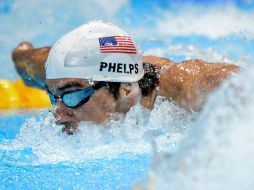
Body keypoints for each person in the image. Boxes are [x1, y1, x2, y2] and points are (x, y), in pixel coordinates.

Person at [12, 21, 240, 134]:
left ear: (125, 89)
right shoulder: (58, 71)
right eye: (53, 97)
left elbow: (239, 83)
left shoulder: (182, 89)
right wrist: (22, 55)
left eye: (72, 95)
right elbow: (24, 60)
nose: (58, 115)